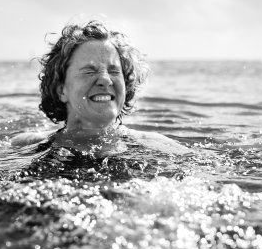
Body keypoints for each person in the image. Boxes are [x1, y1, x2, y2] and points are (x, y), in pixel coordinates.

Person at [12, 19, 187, 154]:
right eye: (89, 71)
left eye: (114, 71)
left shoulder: (158, 146)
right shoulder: (27, 145)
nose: (105, 79)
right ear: (61, 90)